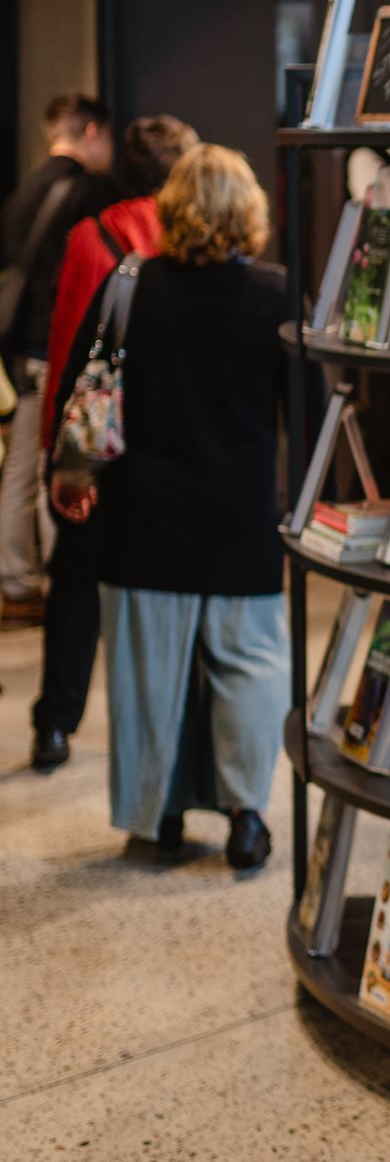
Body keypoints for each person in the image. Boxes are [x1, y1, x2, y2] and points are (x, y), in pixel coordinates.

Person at [50, 144, 289, 871]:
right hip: (241, 519)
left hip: (143, 519)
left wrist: (71, 474)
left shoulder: (131, 284)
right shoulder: (276, 295)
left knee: (150, 675)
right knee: (248, 669)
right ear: (248, 212)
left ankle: (161, 817)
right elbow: (303, 412)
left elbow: (85, 390)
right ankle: (248, 815)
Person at [30, 114, 200, 773]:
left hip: (102, 447)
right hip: (174, 449)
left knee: (74, 586)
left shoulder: (90, 237)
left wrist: (59, 454)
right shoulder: (195, 238)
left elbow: (71, 345)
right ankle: (170, 750)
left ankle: (55, 724)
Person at [0, 92, 117, 621]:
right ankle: (55, 578)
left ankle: (19, 581)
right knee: (62, 462)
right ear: (92, 131)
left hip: (21, 346)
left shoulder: (25, 190)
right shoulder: (88, 192)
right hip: (59, 347)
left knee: (23, 467)